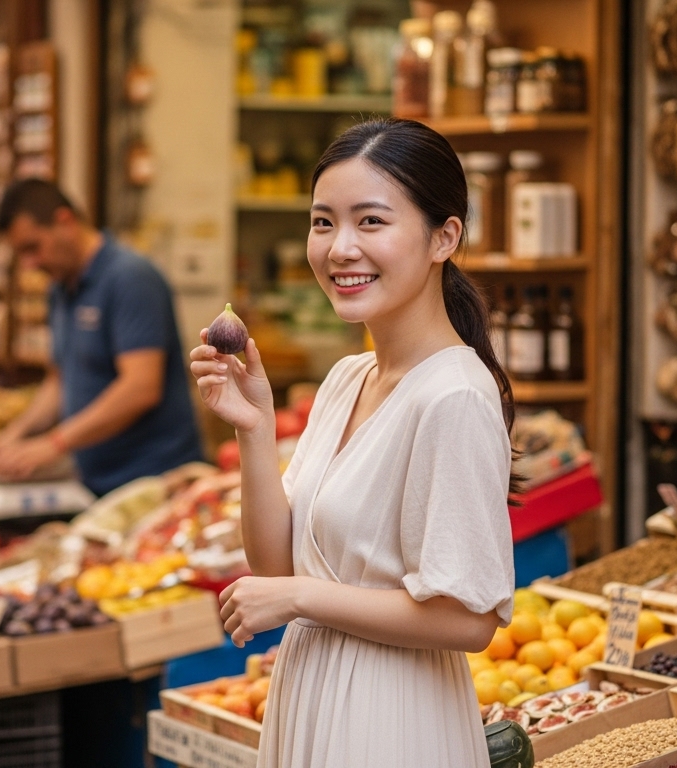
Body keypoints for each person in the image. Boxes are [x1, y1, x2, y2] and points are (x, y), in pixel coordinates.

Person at [190, 119, 517, 767]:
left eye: (371, 222)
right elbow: (278, 564)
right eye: (322, 222)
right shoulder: (347, 378)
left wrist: (302, 599)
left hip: (393, 716)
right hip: (313, 694)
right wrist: (254, 427)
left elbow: (468, 620)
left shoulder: (452, 395)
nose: (340, 248)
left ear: (443, 237)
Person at [0, 179, 204, 496]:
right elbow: (58, 382)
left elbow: (140, 387)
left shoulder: (130, 277)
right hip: (95, 484)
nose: (30, 264)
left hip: (154, 484)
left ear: (64, 222)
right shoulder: (60, 289)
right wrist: (14, 436)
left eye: (32, 247)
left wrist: (53, 444)